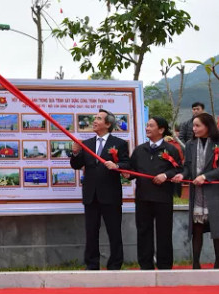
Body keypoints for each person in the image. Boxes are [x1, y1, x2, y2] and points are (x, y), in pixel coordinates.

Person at [172, 112, 219, 269]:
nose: (194, 129)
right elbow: (187, 166)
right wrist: (182, 175)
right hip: (197, 192)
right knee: (197, 228)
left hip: (215, 191)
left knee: (217, 228)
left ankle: (218, 263)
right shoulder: (190, 144)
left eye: (197, 125)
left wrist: (205, 177)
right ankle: (195, 263)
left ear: (208, 126)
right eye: (193, 126)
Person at [70, 109, 130, 270]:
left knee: (114, 232)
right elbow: (76, 165)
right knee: (91, 232)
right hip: (91, 195)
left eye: (98, 118)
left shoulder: (119, 143)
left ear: (108, 124)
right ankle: (92, 264)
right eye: (94, 118)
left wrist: (117, 165)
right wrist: (75, 153)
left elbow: (127, 164)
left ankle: (115, 264)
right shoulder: (87, 144)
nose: (94, 121)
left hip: (111, 195)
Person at [128, 117, 182, 270]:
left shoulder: (170, 149)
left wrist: (165, 175)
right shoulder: (139, 150)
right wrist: (125, 172)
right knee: (143, 231)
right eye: (147, 125)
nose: (147, 128)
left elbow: (178, 169)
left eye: (151, 126)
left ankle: (165, 265)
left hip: (163, 198)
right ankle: (145, 265)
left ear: (161, 130)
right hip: (143, 197)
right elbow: (131, 170)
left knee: (164, 232)